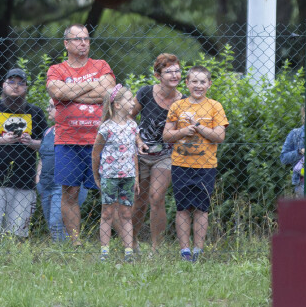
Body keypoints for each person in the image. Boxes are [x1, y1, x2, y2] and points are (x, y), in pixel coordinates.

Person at [46, 24, 116, 243]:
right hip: (68, 140)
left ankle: (112, 242)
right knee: (70, 192)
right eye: (77, 39)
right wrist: (93, 84)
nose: (83, 43)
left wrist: (71, 95)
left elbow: (109, 92)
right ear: (66, 44)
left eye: (86, 38)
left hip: (101, 141)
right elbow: (57, 91)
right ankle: (76, 242)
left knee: (110, 192)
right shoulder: (57, 69)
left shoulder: (101, 65)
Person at [163, 65, 227, 262]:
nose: (198, 85)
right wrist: (183, 131)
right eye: (194, 82)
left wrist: (197, 126)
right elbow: (166, 135)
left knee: (201, 208)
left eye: (202, 82)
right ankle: (185, 251)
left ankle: (198, 251)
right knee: (182, 208)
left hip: (206, 166)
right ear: (187, 83)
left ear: (209, 84)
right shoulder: (177, 106)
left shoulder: (215, 106)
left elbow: (219, 136)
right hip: (181, 164)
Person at [0, 68, 45, 238]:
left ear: (26, 88)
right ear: (3, 85)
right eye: (11, 82)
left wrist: (31, 142)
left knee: (18, 234)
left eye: (21, 83)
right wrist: (3, 140)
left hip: (25, 180)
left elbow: (47, 145)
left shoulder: (35, 112)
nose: (16, 86)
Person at [133, 53, 182, 250]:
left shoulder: (183, 101)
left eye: (177, 71)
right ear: (157, 75)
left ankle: (156, 248)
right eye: (168, 71)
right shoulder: (145, 93)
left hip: (166, 155)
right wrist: (137, 141)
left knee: (156, 197)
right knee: (139, 200)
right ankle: (131, 243)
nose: (174, 75)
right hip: (141, 154)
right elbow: (127, 118)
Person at [93, 85, 140, 261]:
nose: (133, 102)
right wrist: (97, 176)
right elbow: (95, 153)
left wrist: (136, 176)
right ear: (118, 105)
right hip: (109, 176)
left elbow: (134, 153)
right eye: (129, 99)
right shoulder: (106, 128)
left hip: (128, 176)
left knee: (126, 214)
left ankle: (128, 252)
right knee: (107, 213)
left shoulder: (133, 126)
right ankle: (104, 252)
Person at [36, 99, 89, 241]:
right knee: (52, 224)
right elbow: (42, 157)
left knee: (57, 223)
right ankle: (62, 249)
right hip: (46, 184)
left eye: (52, 106)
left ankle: (65, 250)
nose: (48, 109)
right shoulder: (48, 131)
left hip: (65, 184)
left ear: (65, 110)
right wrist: (38, 180)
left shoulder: (75, 131)